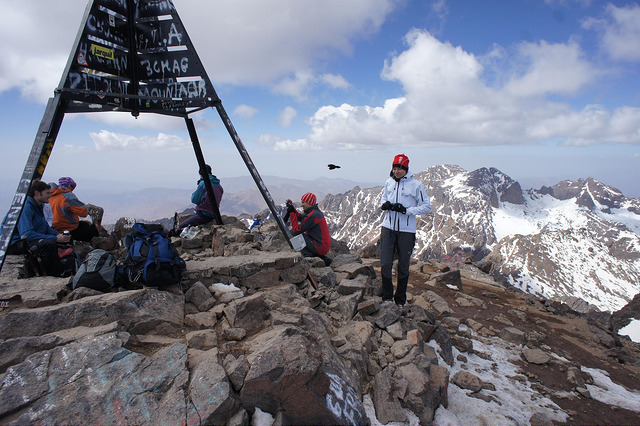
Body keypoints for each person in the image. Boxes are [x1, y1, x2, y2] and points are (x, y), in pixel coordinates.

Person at [379, 154, 431, 305]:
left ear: (406, 169)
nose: (397, 171)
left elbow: (426, 206)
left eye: (400, 168)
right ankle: (387, 298)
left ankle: (400, 300)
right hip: (388, 227)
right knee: (385, 263)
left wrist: (406, 210)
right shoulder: (389, 182)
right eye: (395, 168)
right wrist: (385, 205)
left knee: (403, 265)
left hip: (406, 230)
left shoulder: (416, 185)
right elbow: (383, 198)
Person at [3, 179, 72, 276]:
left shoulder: (37, 206)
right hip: (14, 243)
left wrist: (57, 234)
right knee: (48, 244)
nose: (50, 195)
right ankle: (53, 274)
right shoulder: (26, 208)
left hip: (24, 240)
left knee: (64, 240)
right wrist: (55, 238)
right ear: (37, 193)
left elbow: (44, 226)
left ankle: (63, 268)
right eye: (47, 193)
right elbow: (26, 234)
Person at [284, 192, 332, 266]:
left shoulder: (313, 215)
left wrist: (292, 213)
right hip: (322, 245)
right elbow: (300, 217)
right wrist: (292, 208)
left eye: (303, 202)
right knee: (297, 235)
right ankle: (321, 257)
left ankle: (309, 256)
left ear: (309, 203)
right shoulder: (314, 212)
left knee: (293, 234)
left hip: (320, 246)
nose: (301, 204)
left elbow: (296, 230)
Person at [49, 177, 99, 242]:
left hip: (52, 228)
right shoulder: (67, 196)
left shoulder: (49, 195)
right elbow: (83, 213)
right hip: (68, 229)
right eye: (72, 187)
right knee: (90, 228)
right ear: (69, 186)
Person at [178, 164, 224, 230]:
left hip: (204, 214)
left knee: (180, 227)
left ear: (201, 173)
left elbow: (194, 199)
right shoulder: (218, 185)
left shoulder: (204, 183)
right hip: (214, 214)